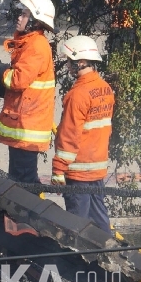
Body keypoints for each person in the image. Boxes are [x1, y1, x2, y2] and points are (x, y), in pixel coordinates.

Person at [0, 0, 57, 183]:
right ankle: (28, 212)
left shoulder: (36, 46)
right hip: (24, 126)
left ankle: (30, 213)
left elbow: (17, 80)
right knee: (21, 180)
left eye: (24, 14)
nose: (19, 18)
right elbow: (26, 87)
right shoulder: (30, 43)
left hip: (27, 128)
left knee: (23, 182)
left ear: (35, 21)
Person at [51, 36, 114, 233]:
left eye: (70, 60)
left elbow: (70, 136)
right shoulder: (105, 88)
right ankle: (108, 254)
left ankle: (80, 261)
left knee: (78, 226)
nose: (68, 65)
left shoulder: (78, 95)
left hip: (78, 171)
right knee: (100, 220)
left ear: (81, 62)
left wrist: (59, 169)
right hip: (97, 169)